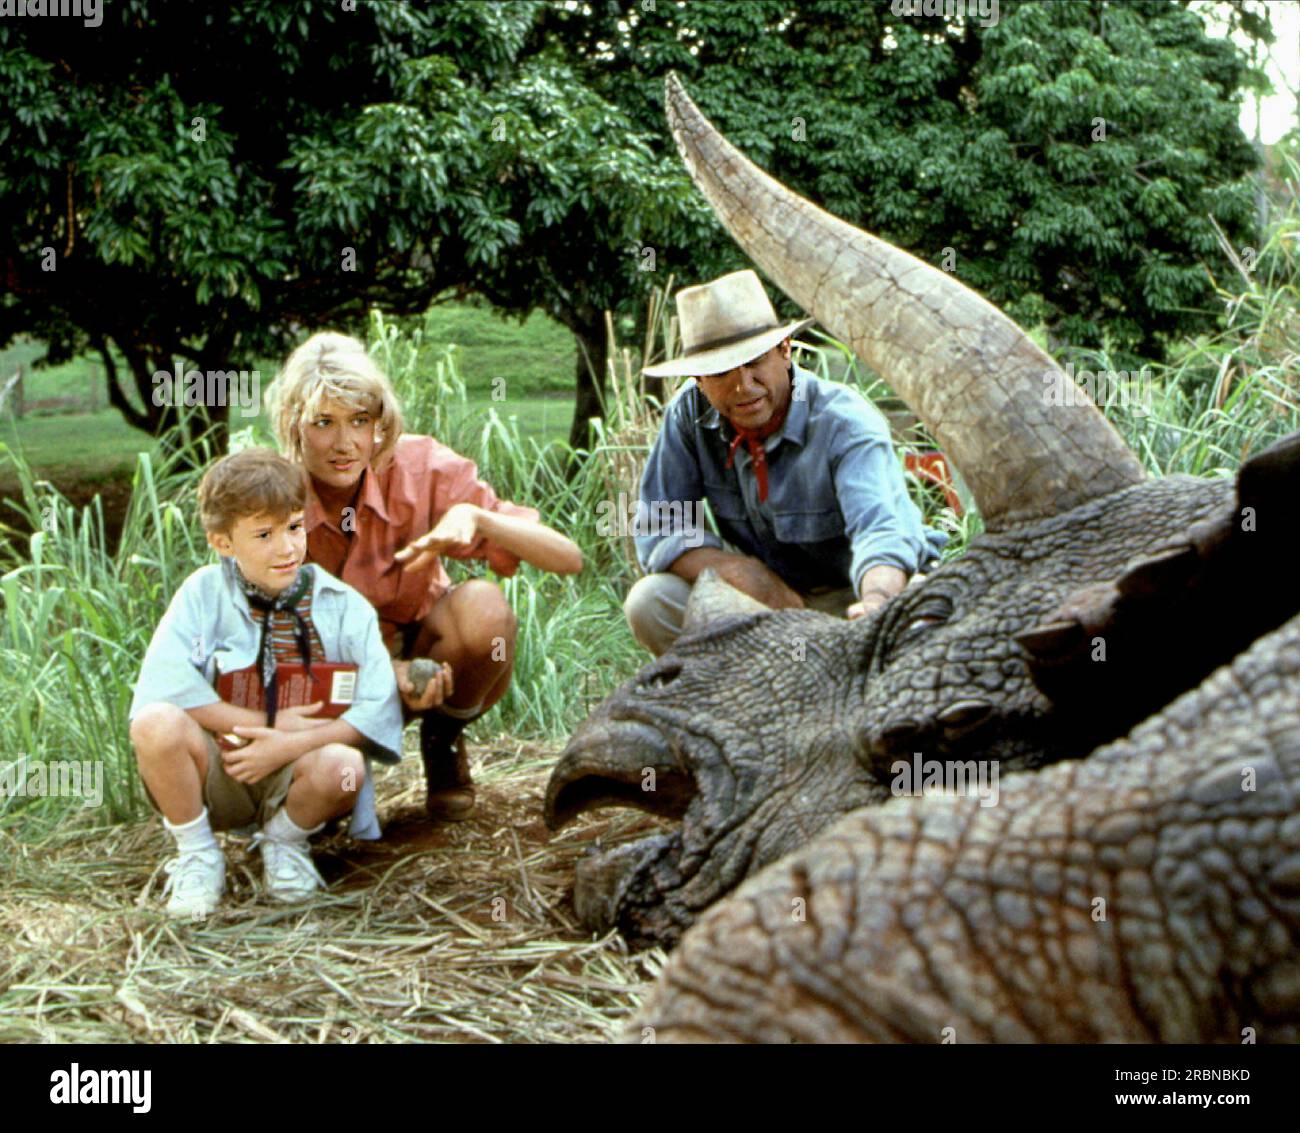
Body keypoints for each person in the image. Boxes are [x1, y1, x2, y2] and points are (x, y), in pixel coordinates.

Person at [267, 332, 583, 822]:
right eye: (323, 423)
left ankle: (443, 737)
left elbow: (568, 558)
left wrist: (480, 520)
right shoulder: (269, 495)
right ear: (294, 425)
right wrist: (379, 673)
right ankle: (326, 774)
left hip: (426, 659)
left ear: (380, 422)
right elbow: (264, 642)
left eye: (360, 421)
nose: (345, 443)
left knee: (484, 612)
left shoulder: (420, 466)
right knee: (320, 811)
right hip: (326, 675)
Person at [128, 448, 404, 919]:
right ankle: (198, 854)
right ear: (223, 541)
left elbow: (376, 710)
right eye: (264, 534)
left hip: (296, 770)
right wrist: (264, 721)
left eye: (294, 527)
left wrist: (286, 743)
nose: (287, 548)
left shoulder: (345, 605)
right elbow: (165, 684)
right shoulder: (202, 594)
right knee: (154, 723)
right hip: (222, 765)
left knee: (344, 764)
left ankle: (284, 844)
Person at [625, 269, 947, 655]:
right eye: (721, 373)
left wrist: (876, 602)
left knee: (919, 616)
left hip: (857, 595)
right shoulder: (687, 416)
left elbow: (881, 530)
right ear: (698, 380)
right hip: (768, 600)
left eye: (754, 362)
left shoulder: (843, 421)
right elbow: (661, 526)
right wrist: (745, 574)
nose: (743, 385)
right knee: (652, 602)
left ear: (784, 350)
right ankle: (738, 702)